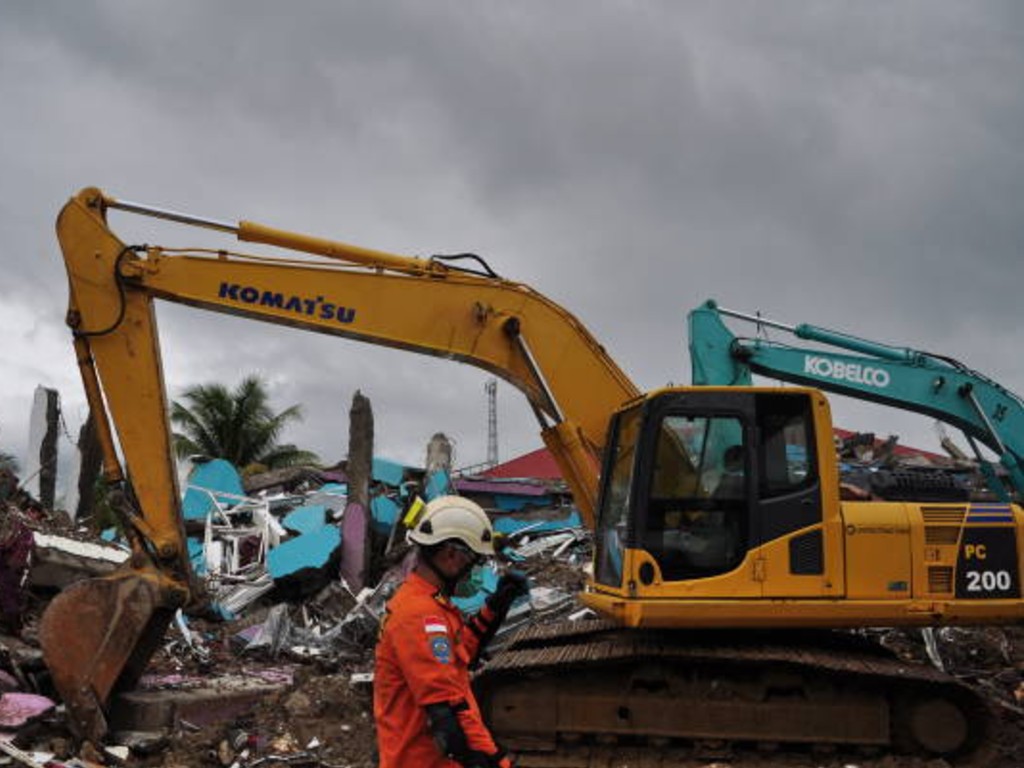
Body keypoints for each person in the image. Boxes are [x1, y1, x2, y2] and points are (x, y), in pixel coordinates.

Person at [374, 495, 529, 768]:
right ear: (451, 555)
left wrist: (495, 607)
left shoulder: (428, 604)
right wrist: (497, 761)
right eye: (474, 563)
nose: (473, 572)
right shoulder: (420, 616)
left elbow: (459, 655)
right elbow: (448, 708)